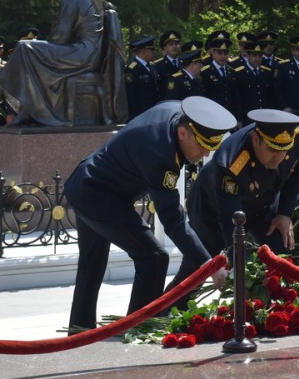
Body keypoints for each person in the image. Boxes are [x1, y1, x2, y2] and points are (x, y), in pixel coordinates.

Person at [64, 96, 237, 331]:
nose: (206, 153)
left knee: (91, 266)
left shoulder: (177, 113)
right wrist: (210, 266)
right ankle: (138, 328)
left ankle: (79, 331)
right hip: (97, 194)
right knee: (154, 257)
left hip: (87, 183)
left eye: (211, 146)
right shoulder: (160, 153)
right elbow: (173, 220)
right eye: (203, 145)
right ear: (183, 133)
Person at [0, 0, 127, 126]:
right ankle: (25, 109)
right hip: (93, 55)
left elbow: (60, 38)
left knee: (25, 48)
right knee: (30, 52)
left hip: (80, 54)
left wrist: (46, 44)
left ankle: (8, 94)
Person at [187, 109, 299, 258]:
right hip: (213, 210)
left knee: (282, 257)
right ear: (256, 140)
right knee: (198, 270)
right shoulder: (231, 163)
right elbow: (230, 223)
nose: (278, 157)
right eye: (271, 149)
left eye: (283, 150)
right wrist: (239, 271)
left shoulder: (293, 138)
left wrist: (284, 213)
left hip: (261, 205)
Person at [233, 37, 275, 122]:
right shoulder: (239, 73)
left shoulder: (267, 72)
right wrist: (239, 119)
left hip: (265, 117)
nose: (257, 59)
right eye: (254, 55)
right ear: (248, 56)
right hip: (248, 117)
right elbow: (238, 99)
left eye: (260, 56)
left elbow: (271, 96)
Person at [200, 31, 240, 116]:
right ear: (213, 53)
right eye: (219, 53)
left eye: (225, 53)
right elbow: (203, 97)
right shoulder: (205, 72)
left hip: (230, 114)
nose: (223, 56)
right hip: (212, 114)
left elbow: (237, 97)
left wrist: (239, 117)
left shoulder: (233, 72)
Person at [124, 36, 161, 120]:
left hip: (154, 111)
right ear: (144, 52)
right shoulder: (131, 70)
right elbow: (131, 96)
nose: (154, 52)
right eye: (152, 50)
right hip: (141, 114)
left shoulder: (153, 66)